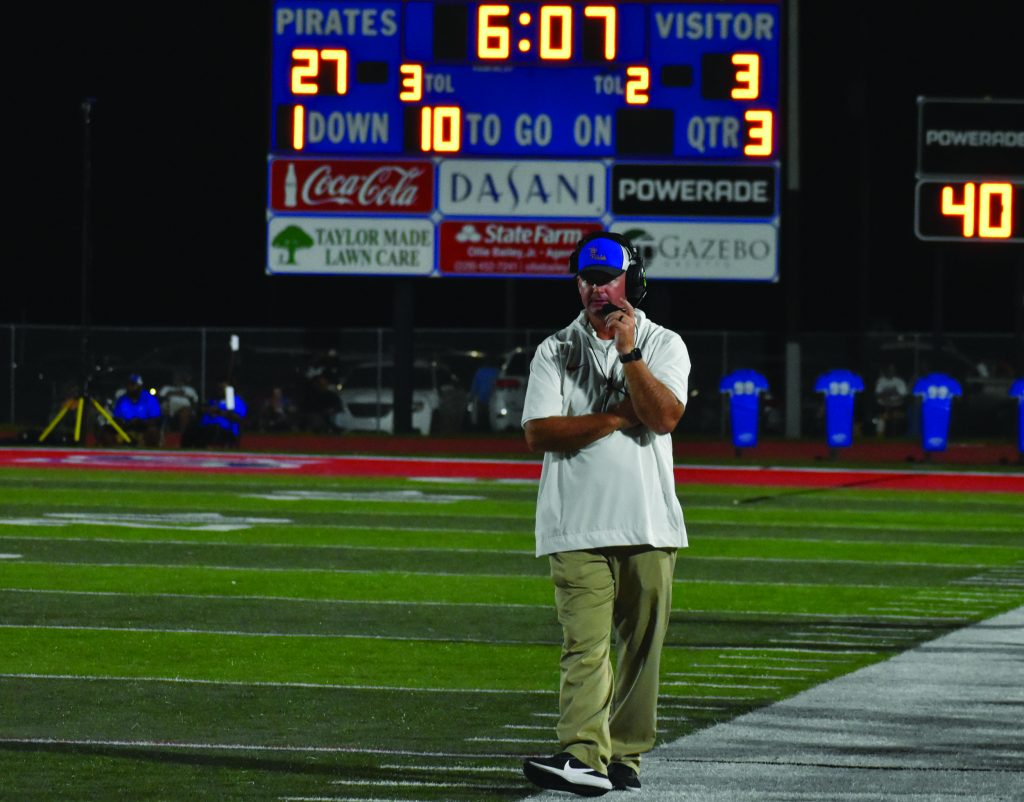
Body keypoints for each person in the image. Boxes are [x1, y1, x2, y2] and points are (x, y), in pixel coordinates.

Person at [520, 231, 690, 796]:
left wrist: (628, 351)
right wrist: (617, 418)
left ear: (630, 283)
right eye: (589, 279)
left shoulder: (664, 344)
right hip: (574, 525)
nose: (598, 290)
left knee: (643, 647)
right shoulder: (554, 349)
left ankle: (627, 758)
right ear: (578, 284)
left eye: (608, 278)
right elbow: (539, 432)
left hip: (647, 521)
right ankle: (582, 755)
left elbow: (663, 416)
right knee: (584, 646)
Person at [101, 373, 162, 447]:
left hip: (143, 427)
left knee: (153, 431)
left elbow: (155, 419)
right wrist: (125, 422)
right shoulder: (122, 399)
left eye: (133, 385)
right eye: (128, 385)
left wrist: (140, 421)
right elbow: (117, 418)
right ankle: (114, 451)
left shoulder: (150, 399)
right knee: (107, 431)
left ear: (140, 386)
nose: (130, 387)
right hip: (126, 426)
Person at [181, 382, 248, 448]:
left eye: (223, 388)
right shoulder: (214, 401)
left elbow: (239, 418)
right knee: (191, 428)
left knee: (212, 429)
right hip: (205, 426)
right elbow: (202, 410)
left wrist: (218, 411)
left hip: (224, 429)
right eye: (219, 388)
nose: (221, 389)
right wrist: (207, 410)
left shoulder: (236, 401)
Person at [874, 363, 908, 437]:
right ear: (886, 370)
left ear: (895, 371)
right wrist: (891, 393)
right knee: (880, 420)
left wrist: (889, 397)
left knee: (896, 419)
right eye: (889, 370)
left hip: (896, 405)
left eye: (893, 370)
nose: (891, 371)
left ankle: (895, 437)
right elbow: (877, 395)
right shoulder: (881, 380)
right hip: (883, 406)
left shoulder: (900, 381)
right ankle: (879, 437)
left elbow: (903, 396)